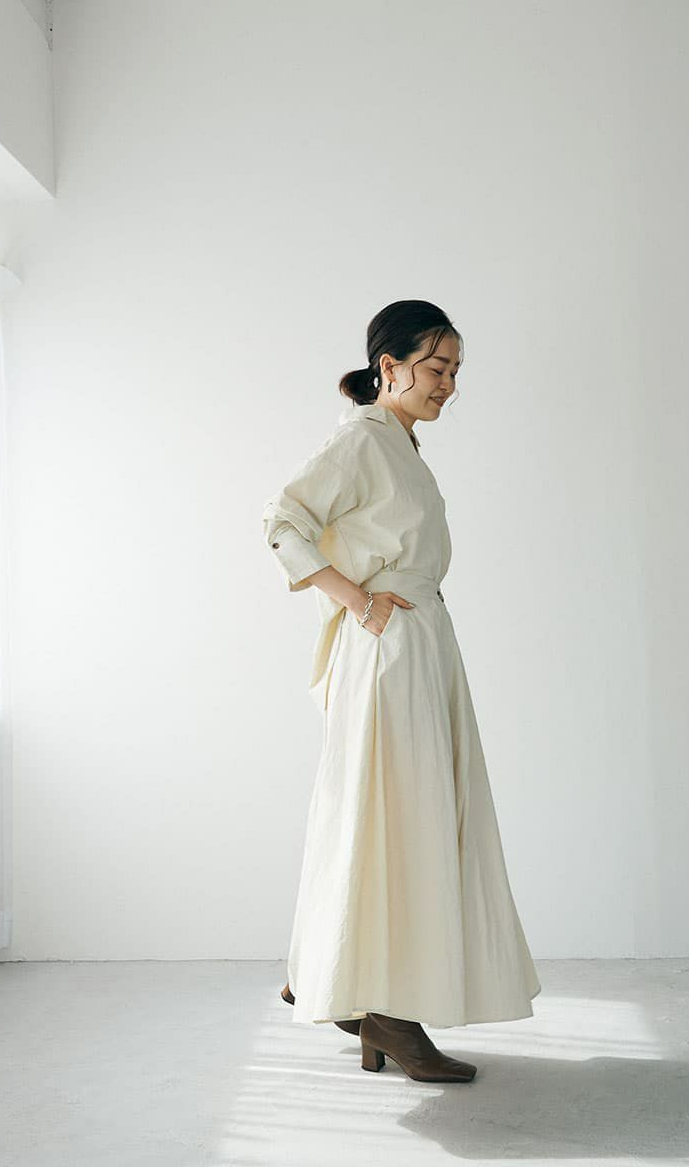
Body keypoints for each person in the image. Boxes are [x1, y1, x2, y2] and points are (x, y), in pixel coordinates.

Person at [262, 300, 540, 1084]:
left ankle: (356, 987)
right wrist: (358, 600)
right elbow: (282, 520)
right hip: (390, 650)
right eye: (436, 368)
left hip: (418, 645)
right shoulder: (362, 440)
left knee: (403, 816)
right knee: (395, 817)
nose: (448, 384)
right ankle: (378, 1004)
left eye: (455, 371)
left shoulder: (398, 444)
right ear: (389, 367)